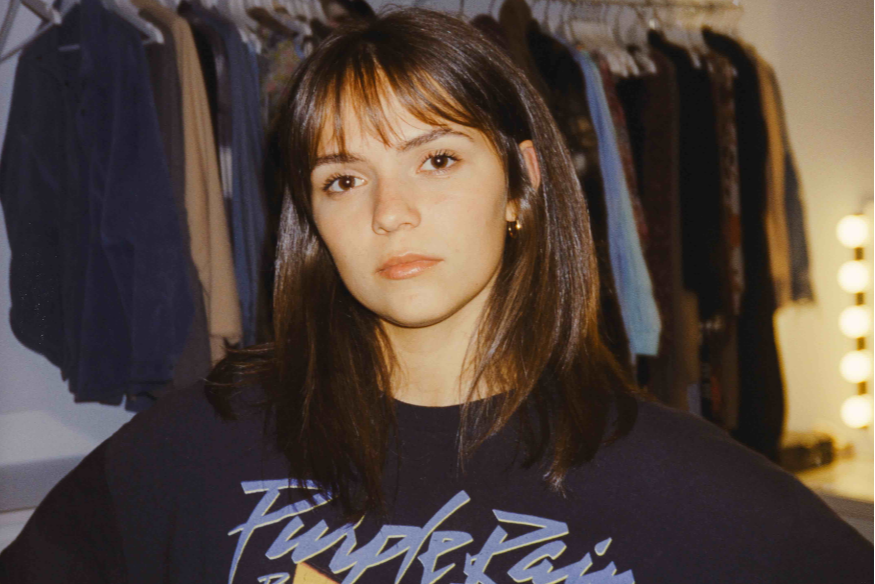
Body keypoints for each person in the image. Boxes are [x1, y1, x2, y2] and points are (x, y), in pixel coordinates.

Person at [1, 7, 872, 584]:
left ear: (522, 183)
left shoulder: (681, 484)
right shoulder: (199, 444)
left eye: (437, 159)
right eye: (344, 180)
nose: (389, 212)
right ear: (312, 220)